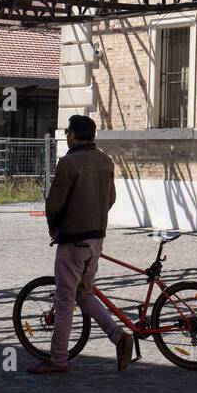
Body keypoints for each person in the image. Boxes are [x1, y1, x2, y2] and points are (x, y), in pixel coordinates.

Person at [28, 114, 134, 375]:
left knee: (65, 301)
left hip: (73, 240)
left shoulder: (69, 163)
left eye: (67, 132)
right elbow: (110, 199)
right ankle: (119, 337)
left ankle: (58, 360)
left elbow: (54, 204)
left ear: (73, 135)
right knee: (84, 294)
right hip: (96, 239)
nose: (66, 136)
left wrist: (55, 227)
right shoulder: (106, 161)